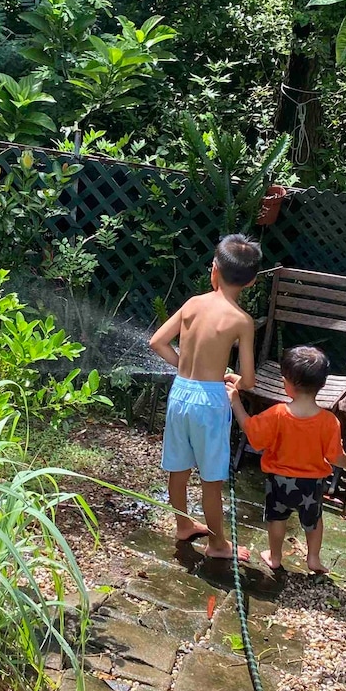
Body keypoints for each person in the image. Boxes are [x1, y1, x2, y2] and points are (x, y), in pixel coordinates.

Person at [148, 234, 260, 559]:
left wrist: (183, 364)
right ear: (251, 282)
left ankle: (183, 526)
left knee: (178, 471)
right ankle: (218, 545)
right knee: (212, 478)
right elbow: (249, 379)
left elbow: (157, 342)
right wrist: (232, 378)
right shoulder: (242, 321)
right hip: (211, 401)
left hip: (181, 392)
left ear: (214, 269)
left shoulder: (193, 304)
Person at [227, 344, 346, 574]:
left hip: (279, 481)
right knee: (313, 521)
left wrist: (235, 400)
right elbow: (335, 457)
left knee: (277, 519)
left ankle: (275, 557)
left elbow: (252, 432)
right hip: (312, 485)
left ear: (288, 385)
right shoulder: (329, 421)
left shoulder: (277, 414)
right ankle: (314, 559)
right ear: (322, 384)